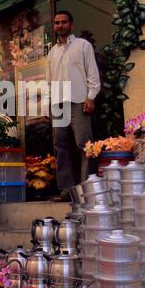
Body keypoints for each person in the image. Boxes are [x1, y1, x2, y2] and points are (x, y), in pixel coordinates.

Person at [46, 11, 100, 197]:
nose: (60, 25)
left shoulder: (83, 45)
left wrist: (91, 96)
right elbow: (49, 81)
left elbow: (92, 74)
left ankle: (88, 188)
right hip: (59, 104)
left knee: (85, 146)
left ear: (71, 24)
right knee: (61, 147)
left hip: (79, 101)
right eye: (57, 23)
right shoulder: (52, 52)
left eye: (63, 22)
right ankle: (67, 190)